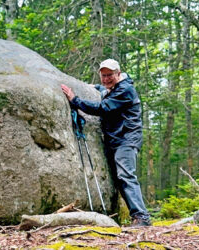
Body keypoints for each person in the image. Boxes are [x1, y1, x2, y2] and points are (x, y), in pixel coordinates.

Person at [61, 59, 151, 227]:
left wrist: (75, 100)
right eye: (103, 76)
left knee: (126, 176)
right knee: (120, 179)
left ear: (118, 74)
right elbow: (106, 90)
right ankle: (137, 216)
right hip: (116, 139)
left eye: (110, 75)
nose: (106, 79)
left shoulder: (125, 90)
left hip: (127, 139)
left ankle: (142, 217)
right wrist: (96, 87)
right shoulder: (115, 88)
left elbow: (103, 108)